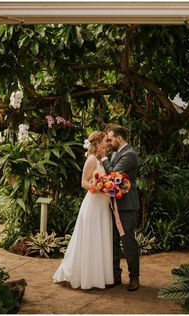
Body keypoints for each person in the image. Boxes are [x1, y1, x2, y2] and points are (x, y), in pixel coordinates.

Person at [53, 131, 114, 289]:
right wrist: (100, 188)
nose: (108, 143)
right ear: (97, 143)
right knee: (91, 239)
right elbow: (84, 183)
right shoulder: (92, 159)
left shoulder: (102, 160)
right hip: (93, 204)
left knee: (100, 239)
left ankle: (98, 277)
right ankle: (83, 276)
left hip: (103, 206)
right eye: (105, 140)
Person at [100, 124, 140, 291]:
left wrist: (103, 158)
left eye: (110, 139)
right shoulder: (117, 153)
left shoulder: (129, 155)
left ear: (119, 138)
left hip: (126, 206)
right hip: (114, 203)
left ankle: (134, 278)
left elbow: (114, 174)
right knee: (114, 241)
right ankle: (116, 276)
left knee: (128, 241)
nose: (109, 142)